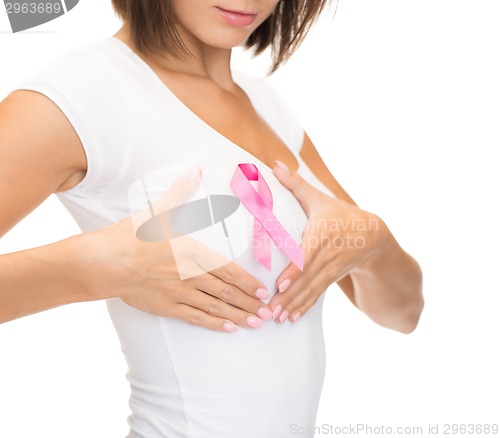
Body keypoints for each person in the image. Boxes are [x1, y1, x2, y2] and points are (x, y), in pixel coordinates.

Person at [0, 0, 424, 436]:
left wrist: (372, 241)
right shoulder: (83, 92)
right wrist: (96, 269)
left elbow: (404, 312)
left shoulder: (267, 105)